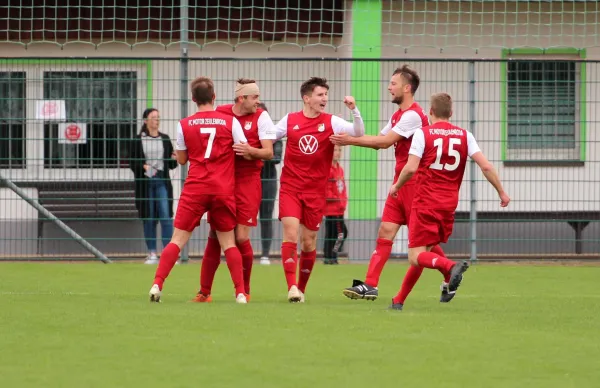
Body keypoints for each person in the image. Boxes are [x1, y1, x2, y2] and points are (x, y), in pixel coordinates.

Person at [331, 64, 449, 301]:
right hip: (400, 183)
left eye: (393, 84)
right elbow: (378, 139)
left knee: (423, 243)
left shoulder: (414, 115)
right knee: (386, 230)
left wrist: (349, 141)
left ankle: (450, 270)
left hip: (416, 184)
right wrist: (352, 127)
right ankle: (370, 285)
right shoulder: (399, 115)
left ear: (407, 88)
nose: (389, 87)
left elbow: (384, 143)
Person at [387, 92, 510, 310]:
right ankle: (399, 301)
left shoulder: (423, 134)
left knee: (416, 256)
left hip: (425, 202)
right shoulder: (465, 135)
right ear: (451, 113)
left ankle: (449, 267)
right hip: (449, 205)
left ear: (431, 112)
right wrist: (501, 192)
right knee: (425, 249)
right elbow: (487, 166)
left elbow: (411, 167)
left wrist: (396, 186)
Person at [148, 76, 250, 304]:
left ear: (193, 99)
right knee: (228, 243)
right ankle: (240, 293)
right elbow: (243, 149)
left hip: (196, 187)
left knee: (177, 240)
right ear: (214, 97)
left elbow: (182, 159)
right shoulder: (230, 122)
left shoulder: (184, 124)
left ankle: (157, 284)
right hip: (222, 188)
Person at [273, 77, 365, 303]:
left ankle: (301, 289)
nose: (325, 99)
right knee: (291, 234)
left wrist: (355, 110)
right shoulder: (290, 120)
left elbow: (358, 132)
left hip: (315, 192)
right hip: (291, 188)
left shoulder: (331, 121)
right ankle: (291, 287)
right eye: (320, 95)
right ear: (307, 98)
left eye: (326, 94)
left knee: (309, 241)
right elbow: (268, 137)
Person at [195, 79, 276, 303]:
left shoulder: (261, 117)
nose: (258, 102)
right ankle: (204, 292)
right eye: (254, 98)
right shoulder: (221, 112)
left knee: (240, 237)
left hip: (248, 181)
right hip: (223, 181)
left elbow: (269, 153)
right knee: (214, 235)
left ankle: (244, 289)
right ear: (241, 99)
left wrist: (251, 150)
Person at [128, 108, 177, 265]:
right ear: (145, 121)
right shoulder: (138, 140)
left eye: (158, 117)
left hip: (161, 180)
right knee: (148, 217)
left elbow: (171, 164)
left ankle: (168, 253)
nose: (157, 120)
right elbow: (132, 162)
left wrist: (174, 158)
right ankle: (152, 253)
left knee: (165, 216)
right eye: (153, 117)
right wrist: (143, 166)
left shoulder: (165, 138)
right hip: (145, 182)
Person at [258, 102, 283, 266]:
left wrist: (256, 155)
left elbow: (276, 157)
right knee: (243, 215)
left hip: (268, 180)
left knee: (266, 216)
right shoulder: (247, 133)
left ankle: (265, 254)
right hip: (249, 178)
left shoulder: (274, 134)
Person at [323, 144, 348, 265]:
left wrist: (343, 201)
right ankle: (330, 256)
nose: (338, 152)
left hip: (339, 209)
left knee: (337, 234)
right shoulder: (328, 169)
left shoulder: (339, 169)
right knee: (338, 234)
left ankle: (331, 256)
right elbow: (326, 190)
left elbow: (342, 188)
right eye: (335, 150)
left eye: (339, 150)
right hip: (331, 209)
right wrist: (337, 199)